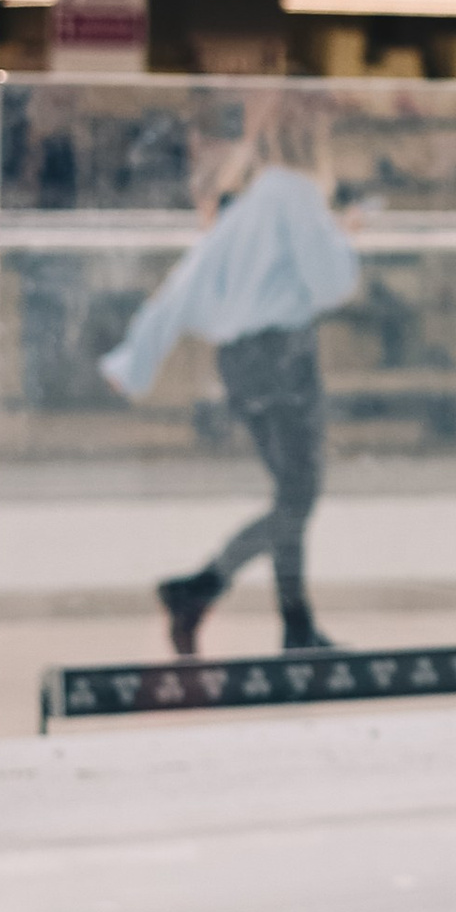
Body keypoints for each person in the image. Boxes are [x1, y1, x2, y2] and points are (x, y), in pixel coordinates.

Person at [101, 92, 361, 653]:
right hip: (285, 357)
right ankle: (202, 586)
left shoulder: (252, 202)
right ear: (312, 142)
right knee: (298, 498)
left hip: (242, 364)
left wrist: (136, 359)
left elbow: (186, 283)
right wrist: (345, 238)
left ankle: (294, 627)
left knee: (291, 494)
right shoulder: (297, 192)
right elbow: (332, 284)